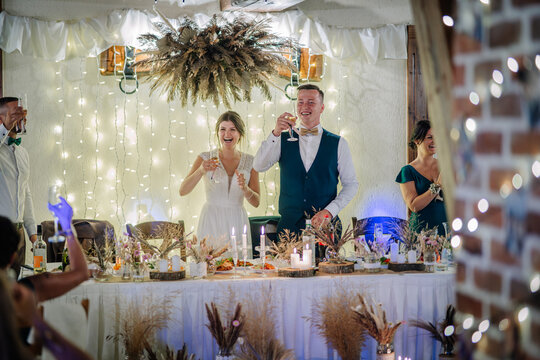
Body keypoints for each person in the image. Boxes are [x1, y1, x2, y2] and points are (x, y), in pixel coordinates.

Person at [253, 84, 358, 238]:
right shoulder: (281, 139)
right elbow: (258, 165)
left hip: (325, 229)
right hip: (289, 230)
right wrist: (275, 133)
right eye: (300, 102)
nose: (304, 106)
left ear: (322, 108)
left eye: (311, 102)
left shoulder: (338, 143)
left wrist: (330, 211)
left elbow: (351, 184)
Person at [179, 111, 260, 257]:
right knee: (209, 269)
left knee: (238, 269)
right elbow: (182, 191)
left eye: (232, 129)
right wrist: (201, 170)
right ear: (218, 133)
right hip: (211, 219)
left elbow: (256, 202)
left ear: (240, 134)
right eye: (222, 129)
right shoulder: (205, 157)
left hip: (237, 220)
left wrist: (245, 189)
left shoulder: (251, 161)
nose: (227, 134)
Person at [0, 197, 89, 303]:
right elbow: (81, 273)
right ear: (13, 257)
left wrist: (35, 240)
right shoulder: (25, 291)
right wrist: (67, 226)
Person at [0, 97, 37, 277]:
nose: (22, 117)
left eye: (22, 114)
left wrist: (33, 234)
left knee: (15, 290)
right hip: (0, 231)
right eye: (16, 113)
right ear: (1, 118)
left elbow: (25, 193)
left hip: (20, 234)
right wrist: (4, 129)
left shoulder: (22, 153)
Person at [395, 120, 447, 235]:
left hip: (446, 229)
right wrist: (437, 186)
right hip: (421, 233)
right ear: (417, 140)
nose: (434, 141)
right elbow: (414, 206)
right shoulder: (407, 171)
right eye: (429, 137)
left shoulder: (445, 166)